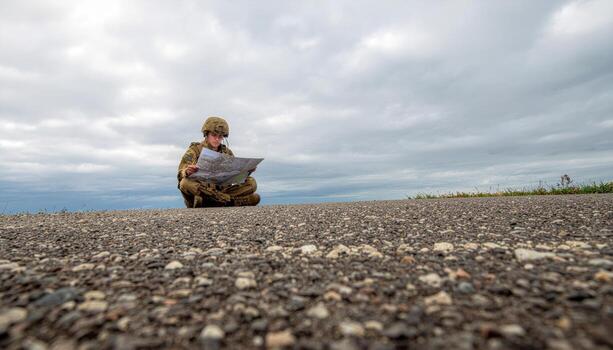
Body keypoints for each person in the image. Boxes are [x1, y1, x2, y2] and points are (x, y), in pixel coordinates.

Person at [177, 116, 260, 208]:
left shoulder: (227, 152)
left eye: (220, 136)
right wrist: (187, 171)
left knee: (251, 182)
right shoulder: (194, 150)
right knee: (185, 183)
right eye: (214, 135)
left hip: (221, 191)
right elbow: (180, 174)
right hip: (201, 193)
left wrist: (247, 172)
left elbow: (235, 177)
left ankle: (217, 202)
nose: (217, 139)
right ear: (206, 134)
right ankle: (230, 202)